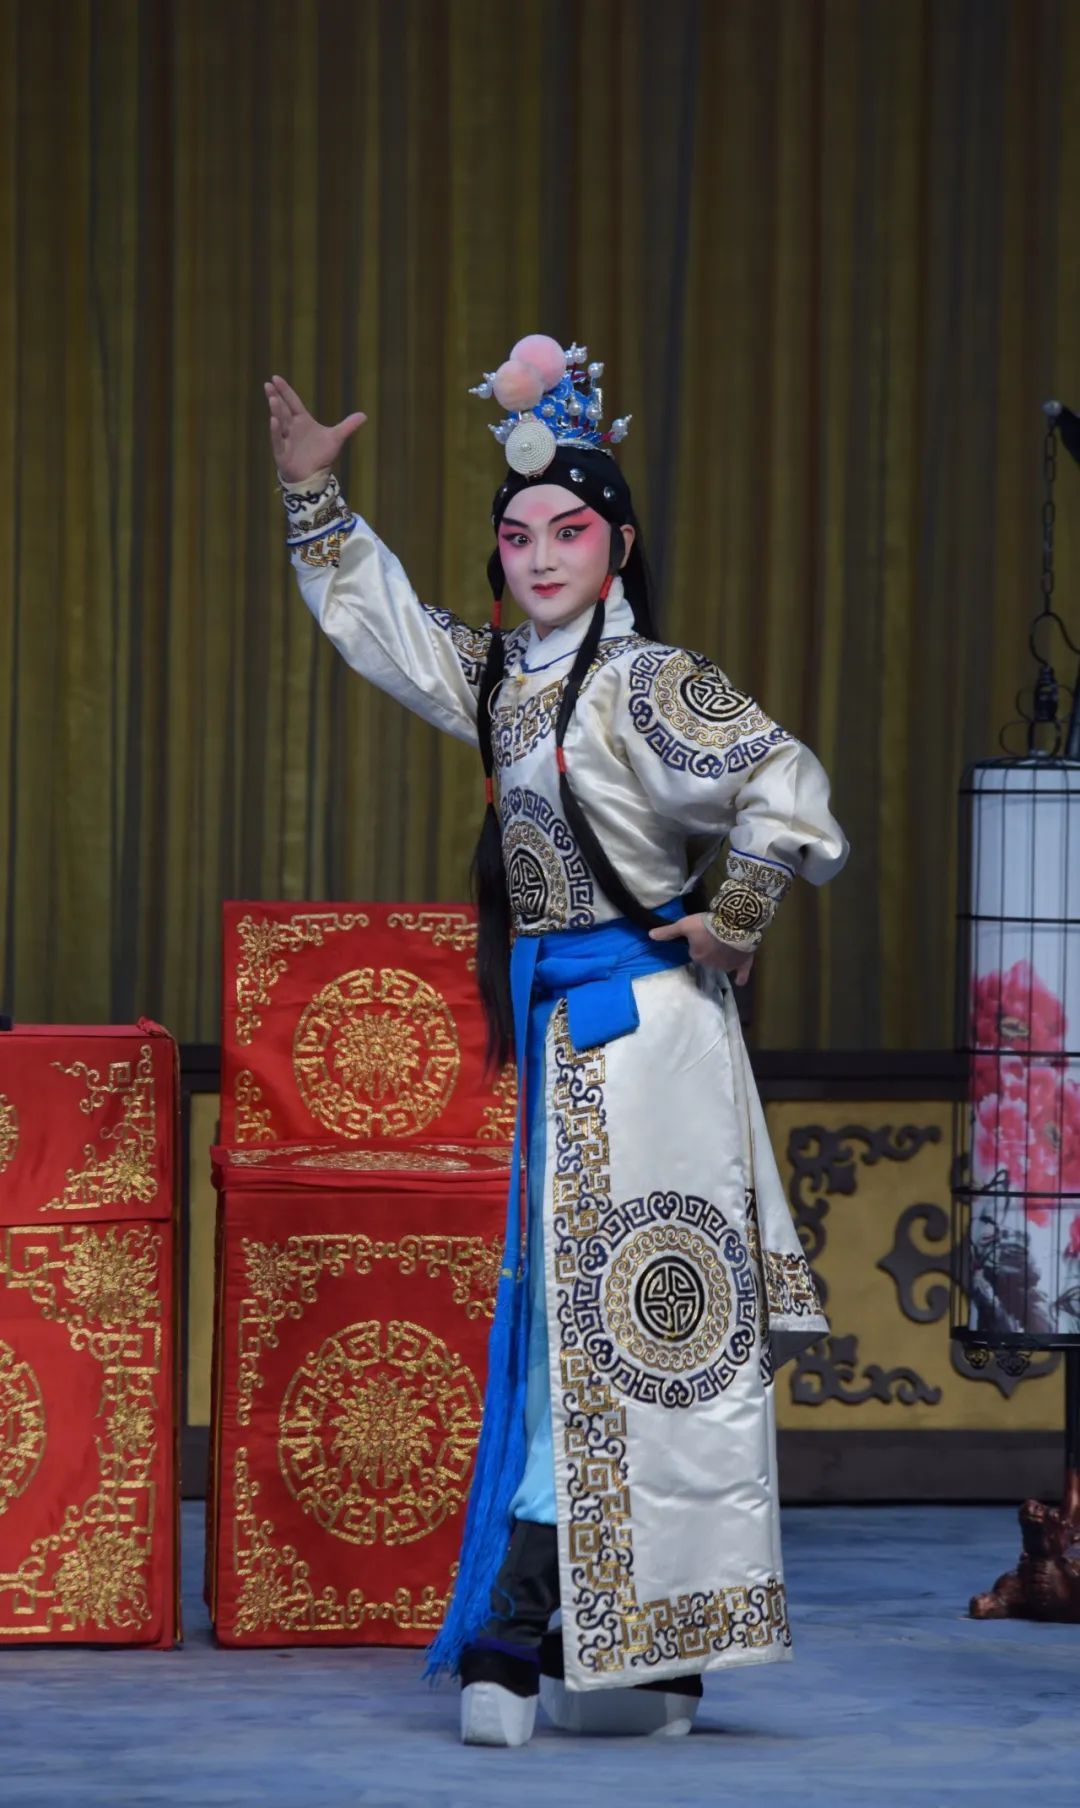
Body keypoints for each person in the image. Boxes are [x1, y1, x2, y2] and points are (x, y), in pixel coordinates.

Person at [265, 335, 847, 1747]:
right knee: (579, 1341)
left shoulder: (651, 682)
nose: (538, 555)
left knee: (633, 1339)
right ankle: (625, 1652)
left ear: (620, 546)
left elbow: (786, 782)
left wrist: (736, 917)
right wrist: (314, 501)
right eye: (517, 534)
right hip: (570, 1043)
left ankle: (534, 1633)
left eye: (568, 531)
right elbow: (389, 629)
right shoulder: (507, 679)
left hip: (647, 1042)